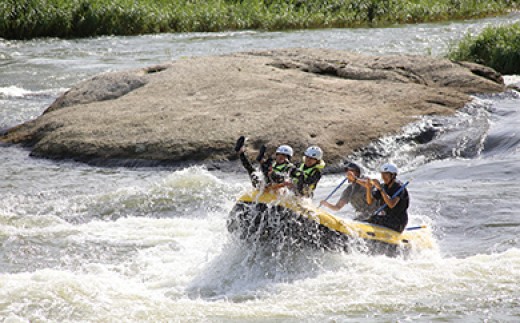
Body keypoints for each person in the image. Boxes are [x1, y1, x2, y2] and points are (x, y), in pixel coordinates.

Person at [365, 163, 409, 233]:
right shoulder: (384, 186)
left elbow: (391, 204)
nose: (383, 177)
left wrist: (380, 189)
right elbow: (369, 201)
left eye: (386, 174)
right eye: (382, 174)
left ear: (393, 175)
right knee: (367, 217)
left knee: (374, 219)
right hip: (388, 218)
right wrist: (368, 188)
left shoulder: (399, 187)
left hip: (398, 222)